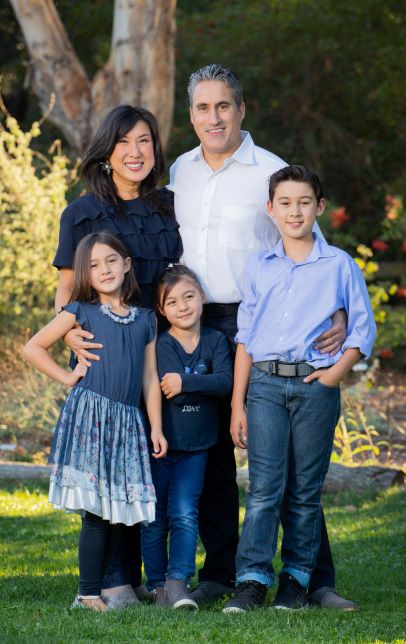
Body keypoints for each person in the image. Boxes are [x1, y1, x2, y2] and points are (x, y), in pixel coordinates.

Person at [169, 63, 354, 609]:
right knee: (212, 453)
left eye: (223, 105)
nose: (214, 117)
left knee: (288, 461)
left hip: (259, 327)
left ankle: (313, 579)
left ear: (241, 110)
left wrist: (340, 312)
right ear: (191, 115)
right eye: (203, 108)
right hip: (195, 324)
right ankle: (223, 573)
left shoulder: (269, 171)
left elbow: (310, 246)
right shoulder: (180, 170)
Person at [222, 165, 376, 612]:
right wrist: (237, 404)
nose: (295, 212)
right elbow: (245, 338)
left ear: (319, 207)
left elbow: (361, 330)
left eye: (304, 202)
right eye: (286, 203)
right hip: (264, 386)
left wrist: (333, 375)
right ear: (270, 209)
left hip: (315, 388)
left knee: (305, 491)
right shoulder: (259, 266)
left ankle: (296, 581)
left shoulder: (339, 265)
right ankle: (251, 580)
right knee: (263, 488)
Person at [53, 105, 182, 607]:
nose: (135, 151)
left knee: (140, 464)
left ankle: (139, 574)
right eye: (124, 142)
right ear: (107, 152)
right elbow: (67, 290)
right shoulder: (81, 213)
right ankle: (110, 580)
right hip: (103, 354)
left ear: (155, 148)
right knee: (108, 467)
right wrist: (69, 335)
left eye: (144, 140)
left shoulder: (170, 205)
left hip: (156, 349)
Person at [22, 231, 167, 612]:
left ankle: (107, 587)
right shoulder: (79, 312)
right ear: (85, 273)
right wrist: (68, 377)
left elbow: (150, 378)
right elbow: (32, 348)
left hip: (128, 422)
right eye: (93, 265)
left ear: (126, 264)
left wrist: (155, 427)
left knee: (120, 511)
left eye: (111, 260)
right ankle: (87, 594)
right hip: (91, 417)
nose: (104, 269)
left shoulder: (146, 319)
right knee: (96, 512)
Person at [141, 264, 233, 609]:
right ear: (161, 310)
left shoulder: (216, 340)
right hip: (163, 446)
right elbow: (170, 392)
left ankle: (178, 581)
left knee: (184, 513)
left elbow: (225, 383)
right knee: (155, 518)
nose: (182, 306)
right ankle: (157, 585)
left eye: (189, 296)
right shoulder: (162, 344)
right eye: (172, 302)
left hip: (198, 447)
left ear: (203, 297)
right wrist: (199, 385)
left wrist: (187, 382)